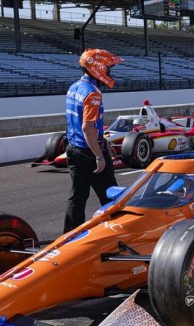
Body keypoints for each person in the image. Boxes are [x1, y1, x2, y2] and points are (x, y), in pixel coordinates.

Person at [63, 48, 124, 232]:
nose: (109, 72)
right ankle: (116, 235)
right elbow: (87, 127)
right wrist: (99, 155)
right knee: (111, 196)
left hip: (72, 148)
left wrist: (103, 140)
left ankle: (69, 237)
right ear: (98, 68)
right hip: (88, 151)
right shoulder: (93, 93)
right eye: (107, 68)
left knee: (78, 196)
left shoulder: (74, 87)